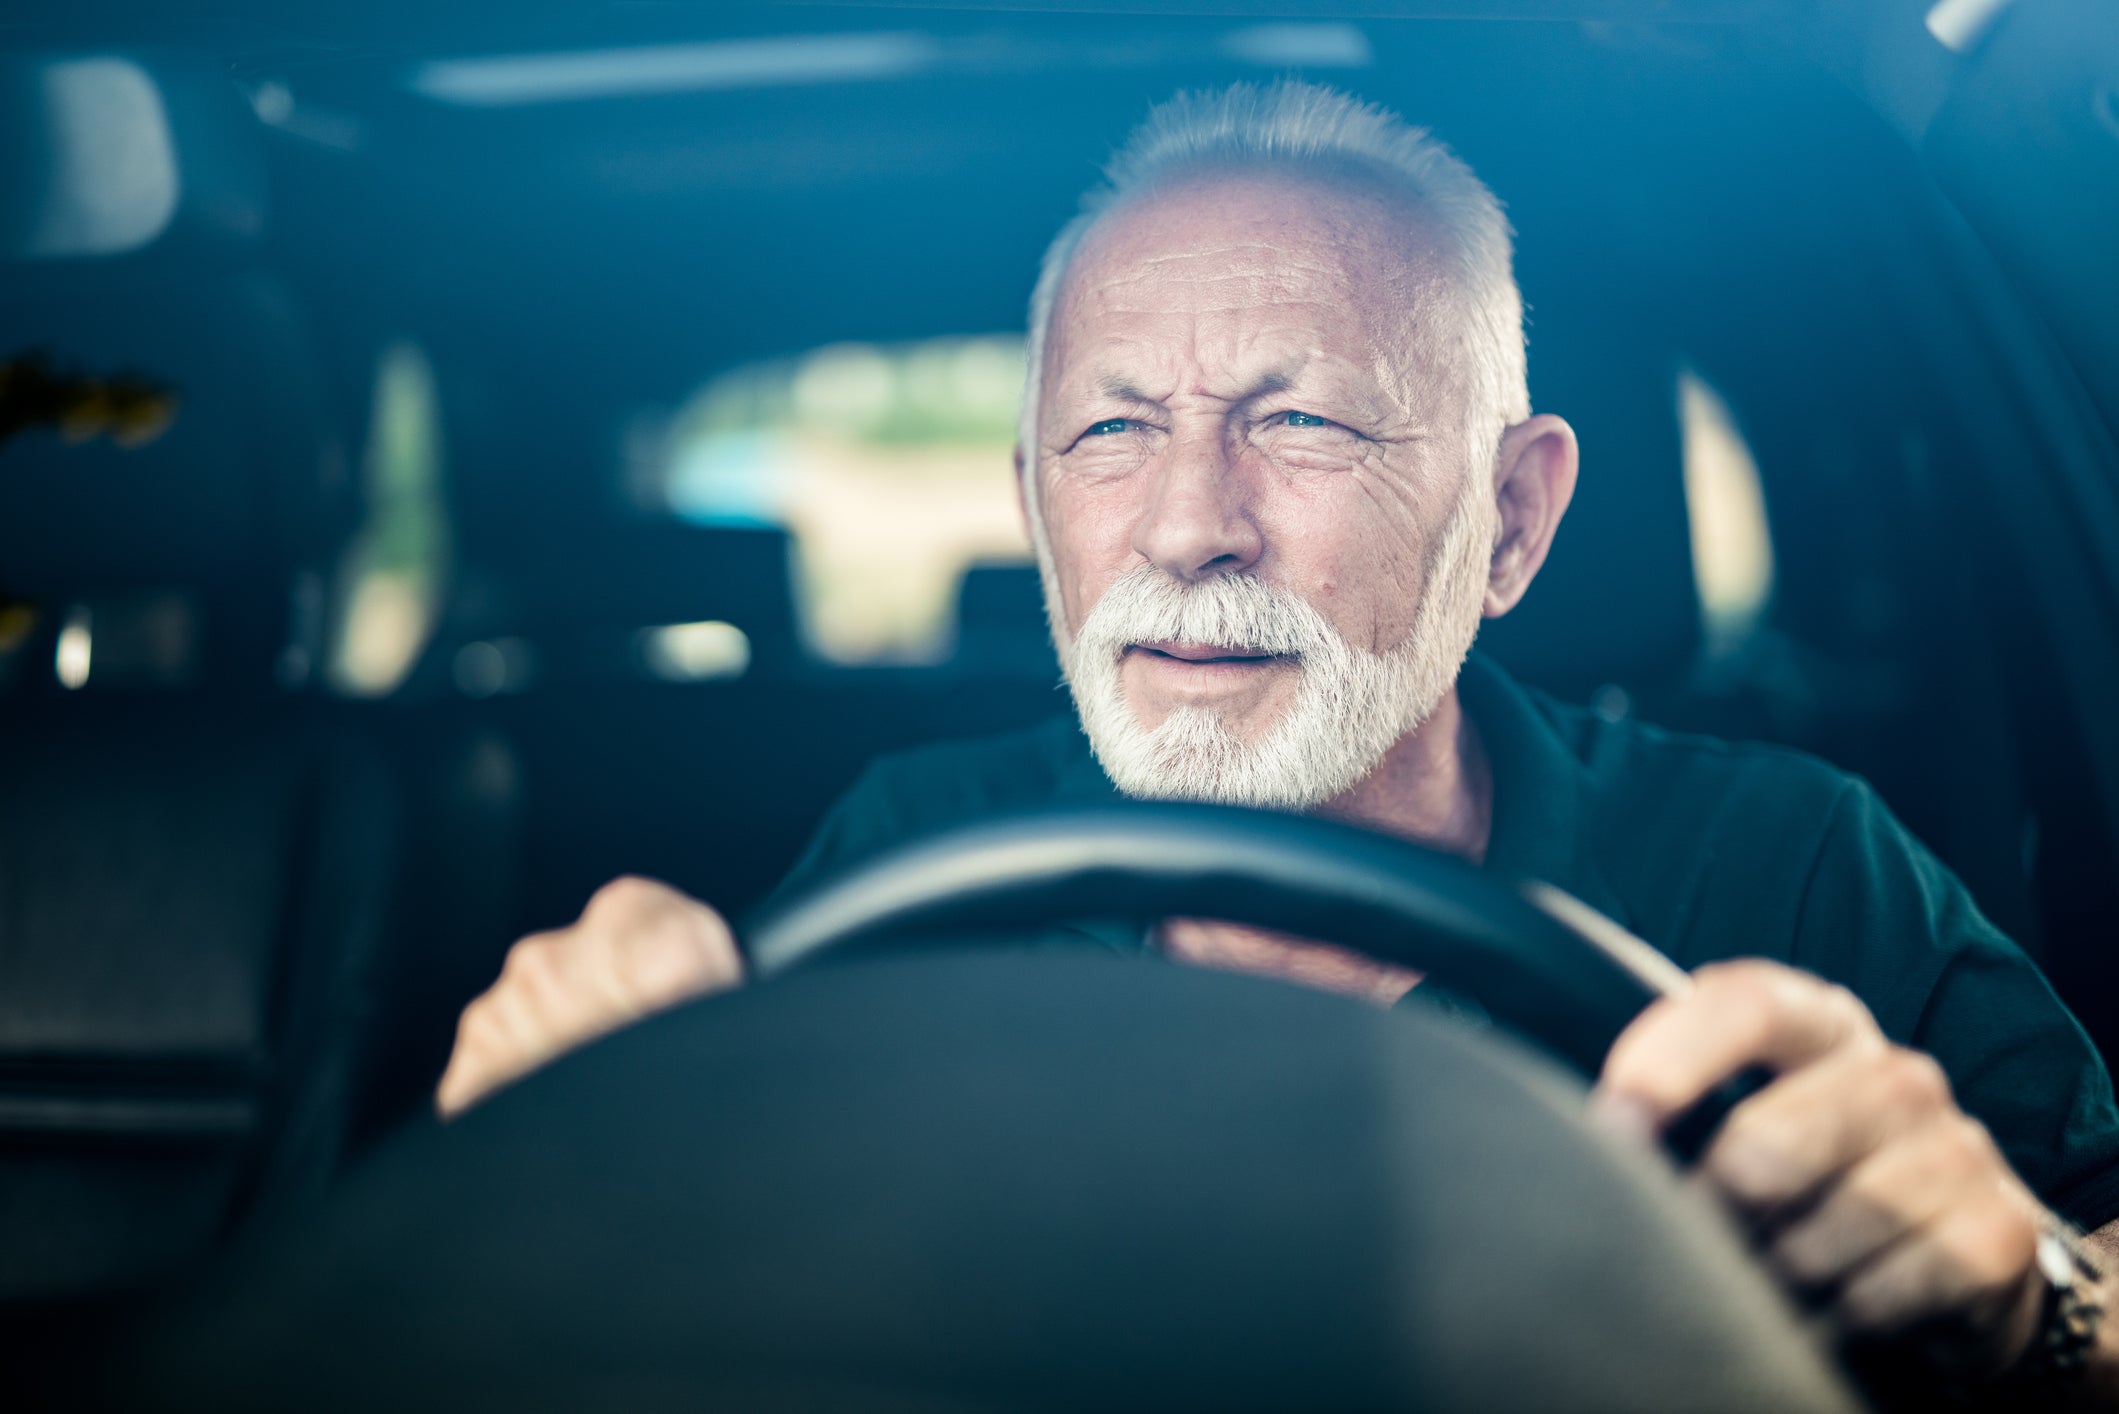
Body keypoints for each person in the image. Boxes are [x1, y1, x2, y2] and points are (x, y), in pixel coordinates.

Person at [436, 80, 2119, 1399]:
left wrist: (2035, 1300)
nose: (1185, 527)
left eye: (1297, 420)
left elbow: (2091, 1256)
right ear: (1037, 509)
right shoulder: (906, 856)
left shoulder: (1793, 865)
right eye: (1110, 432)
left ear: (1515, 522)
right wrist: (535, 1153)